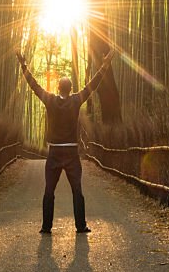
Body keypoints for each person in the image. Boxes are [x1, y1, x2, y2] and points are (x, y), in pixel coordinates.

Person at [17, 49, 114, 234]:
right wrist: (104, 66)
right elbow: (92, 86)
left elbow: (34, 85)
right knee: (77, 190)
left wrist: (24, 66)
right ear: (70, 89)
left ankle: (46, 227)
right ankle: (80, 226)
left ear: (58, 88)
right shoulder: (76, 100)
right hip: (71, 153)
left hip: (54, 153)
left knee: (49, 191)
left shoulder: (50, 100)